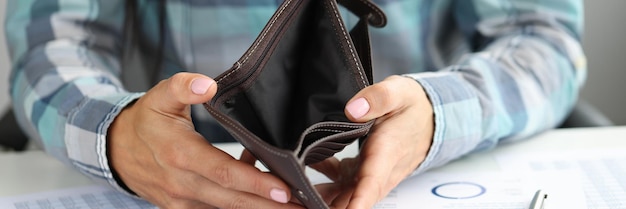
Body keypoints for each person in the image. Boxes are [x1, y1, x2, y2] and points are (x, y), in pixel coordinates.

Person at [4, 0, 586, 208]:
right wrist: (116, 135)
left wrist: (440, 113)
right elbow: (48, 46)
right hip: (178, 163)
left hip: (417, 164)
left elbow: (545, 39)